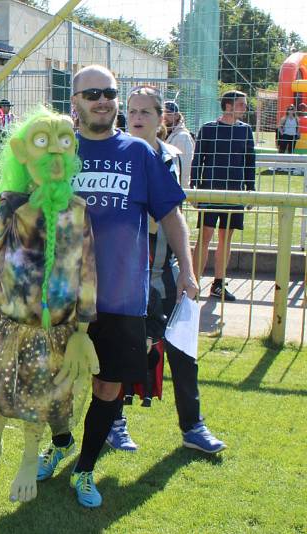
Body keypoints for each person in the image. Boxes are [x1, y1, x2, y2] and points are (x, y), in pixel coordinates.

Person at [35, 66, 196, 509]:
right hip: (65, 292)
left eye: (109, 93)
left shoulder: (139, 154)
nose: (102, 100)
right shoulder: (58, 154)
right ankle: (62, 441)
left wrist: (187, 268)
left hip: (123, 296)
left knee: (109, 387)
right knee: (54, 380)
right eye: (92, 94)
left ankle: (85, 469)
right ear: (76, 102)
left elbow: (171, 215)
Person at [0, 106, 97, 503]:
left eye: (63, 146)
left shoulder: (78, 212)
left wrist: (83, 329)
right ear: (23, 152)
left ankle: (30, 457)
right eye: (44, 146)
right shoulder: (12, 207)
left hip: (55, 330)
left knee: (40, 396)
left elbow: (86, 273)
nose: (54, 158)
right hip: (7, 320)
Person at [107, 86, 225, 454]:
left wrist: (188, 270)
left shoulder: (172, 156)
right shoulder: (117, 154)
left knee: (183, 351)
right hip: (124, 274)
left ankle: (193, 426)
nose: (138, 117)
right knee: (122, 353)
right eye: (133, 110)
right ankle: (114, 422)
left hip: (166, 270)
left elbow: (175, 216)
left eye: (146, 111)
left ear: (162, 118)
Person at [191, 90, 256, 302]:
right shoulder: (209, 129)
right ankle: (193, 284)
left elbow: (249, 161)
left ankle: (218, 284)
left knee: (225, 239)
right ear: (228, 106)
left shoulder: (246, 131)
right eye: (241, 104)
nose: (245, 109)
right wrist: (195, 189)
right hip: (211, 190)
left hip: (235, 192)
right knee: (205, 237)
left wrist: (250, 189)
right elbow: (197, 160)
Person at [163, 101, 194, 188]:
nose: (164, 116)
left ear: (176, 116)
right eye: (162, 113)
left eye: (168, 113)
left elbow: (185, 169)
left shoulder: (182, 137)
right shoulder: (163, 133)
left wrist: (183, 191)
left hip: (176, 188)